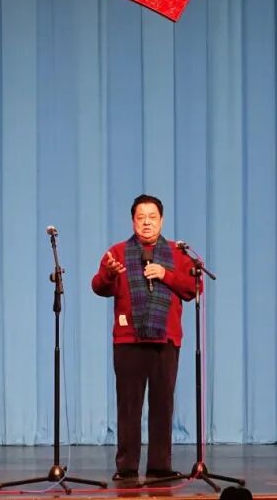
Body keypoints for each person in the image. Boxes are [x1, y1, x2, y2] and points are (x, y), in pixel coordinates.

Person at [92, 194, 196, 482]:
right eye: (141, 218)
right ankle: (126, 467)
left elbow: (193, 288)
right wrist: (109, 274)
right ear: (133, 221)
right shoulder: (117, 252)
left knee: (163, 405)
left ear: (161, 220)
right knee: (129, 406)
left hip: (165, 340)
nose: (147, 223)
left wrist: (165, 274)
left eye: (152, 217)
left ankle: (160, 465)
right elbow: (98, 287)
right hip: (129, 340)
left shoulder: (177, 253)